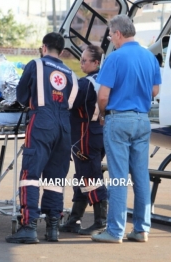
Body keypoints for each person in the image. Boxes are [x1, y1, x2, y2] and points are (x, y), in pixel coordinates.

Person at [91, 14, 161, 243]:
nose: (111, 39)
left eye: (111, 35)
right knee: (141, 177)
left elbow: (103, 95)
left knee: (119, 177)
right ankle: (141, 230)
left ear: (119, 34)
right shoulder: (149, 57)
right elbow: (154, 91)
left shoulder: (115, 57)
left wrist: (102, 113)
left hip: (119, 119)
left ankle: (115, 231)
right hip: (142, 120)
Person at [5, 32, 78, 244]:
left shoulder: (36, 64)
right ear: (62, 51)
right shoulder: (71, 75)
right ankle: (53, 227)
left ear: (43, 47)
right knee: (55, 177)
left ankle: (28, 226)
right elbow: (71, 103)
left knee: (31, 174)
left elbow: (21, 95)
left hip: (42, 122)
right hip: (64, 126)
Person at [59, 45, 108, 235]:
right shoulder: (103, 81)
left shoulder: (86, 83)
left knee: (90, 177)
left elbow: (67, 104)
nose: (81, 63)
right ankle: (74, 219)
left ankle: (100, 220)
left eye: (85, 60)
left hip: (84, 134)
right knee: (83, 176)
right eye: (81, 59)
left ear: (96, 62)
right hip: (97, 131)